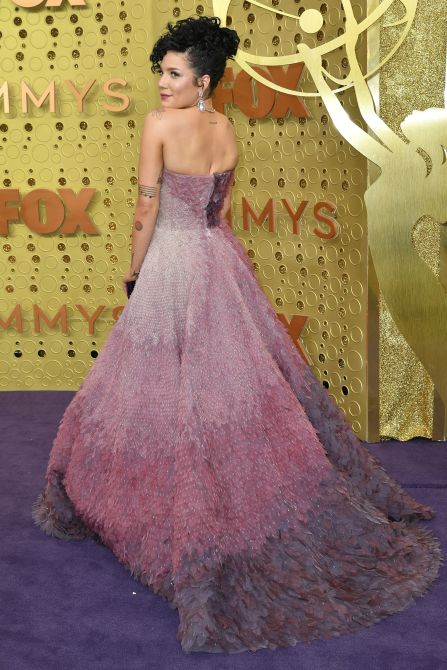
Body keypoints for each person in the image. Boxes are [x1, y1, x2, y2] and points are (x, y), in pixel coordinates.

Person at [33, 15, 443, 655]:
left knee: (154, 384)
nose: (162, 83)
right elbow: (220, 210)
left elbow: (147, 206)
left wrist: (134, 270)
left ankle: (157, 502)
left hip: (171, 261)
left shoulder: (159, 125)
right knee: (225, 384)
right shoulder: (225, 129)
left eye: (174, 74)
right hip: (215, 258)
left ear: (202, 80)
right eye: (161, 72)